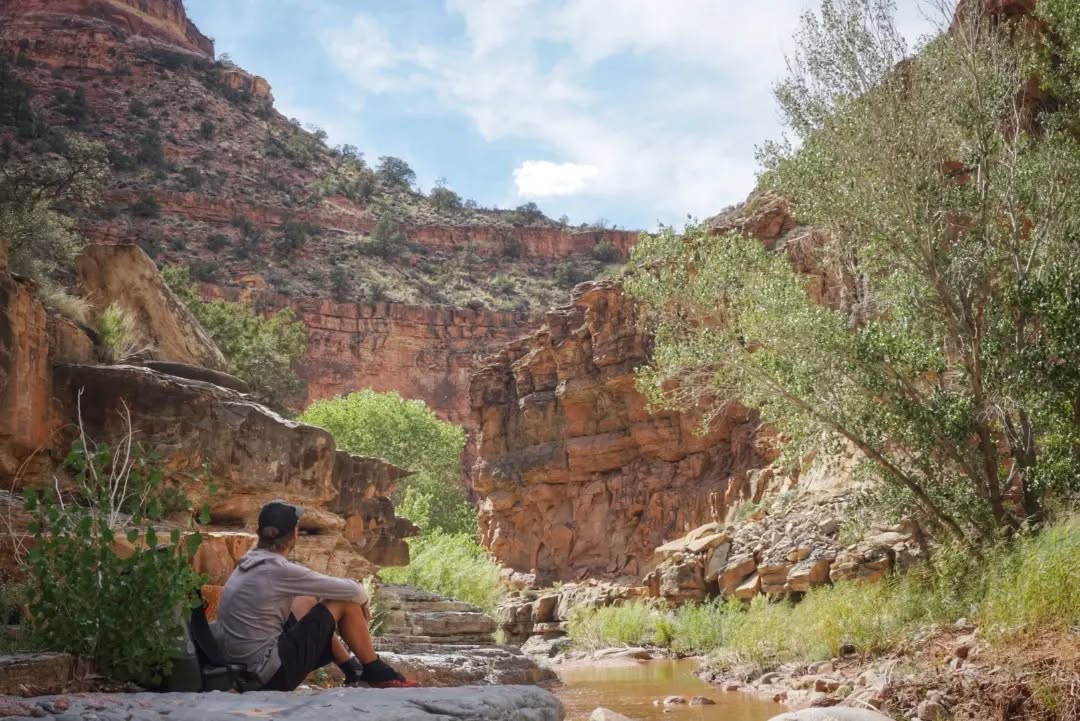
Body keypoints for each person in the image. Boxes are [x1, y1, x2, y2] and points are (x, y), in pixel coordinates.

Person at [210, 500, 415, 690]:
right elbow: (354, 591)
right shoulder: (278, 570)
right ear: (294, 535)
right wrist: (363, 601)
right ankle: (375, 671)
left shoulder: (250, 561)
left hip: (242, 669)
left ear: (259, 533)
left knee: (305, 600)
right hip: (267, 677)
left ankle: (352, 669)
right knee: (343, 602)